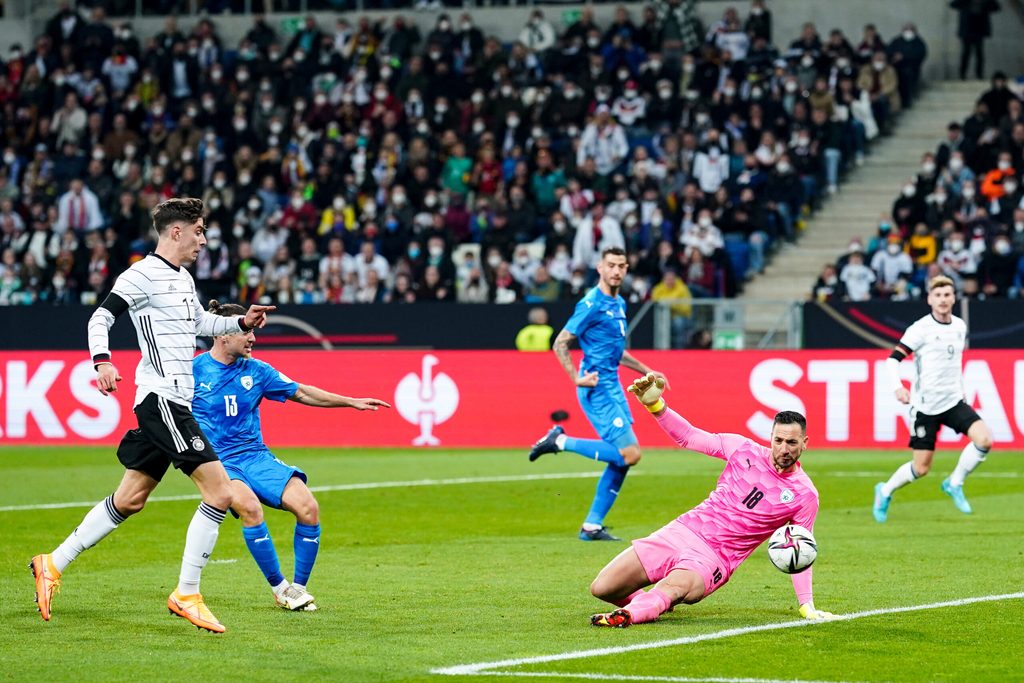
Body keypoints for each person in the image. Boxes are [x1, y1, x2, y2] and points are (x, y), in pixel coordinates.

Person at [30, 198, 274, 634]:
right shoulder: (141, 274)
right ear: (175, 232)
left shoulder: (183, 278)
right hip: (163, 400)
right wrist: (102, 361)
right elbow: (100, 317)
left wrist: (241, 324)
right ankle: (187, 593)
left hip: (172, 403)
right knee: (220, 493)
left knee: (129, 500)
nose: (203, 238)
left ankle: (52, 561)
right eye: (198, 230)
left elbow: (201, 323)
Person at [588, 373, 834, 627]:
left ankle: (630, 615)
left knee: (672, 587)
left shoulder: (804, 494)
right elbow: (689, 437)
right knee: (603, 587)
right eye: (778, 440)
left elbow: (800, 549)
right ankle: (650, 603)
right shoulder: (742, 449)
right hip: (682, 531)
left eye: (792, 442)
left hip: (714, 557)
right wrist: (656, 406)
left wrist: (807, 605)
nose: (784, 449)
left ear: (804, 443)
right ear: (771, 437)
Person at [192, 301, 390, 611]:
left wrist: (350, 401)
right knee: (250, 508)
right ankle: (280, 588)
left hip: (255, 456)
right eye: (246, 332)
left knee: (308, 507)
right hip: (218, 462)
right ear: (222, 334)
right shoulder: (193, 370)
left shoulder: (257, 371)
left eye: (253, 331)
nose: (253, 337)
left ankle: (298, 588)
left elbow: (302, 392)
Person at [528, 247, 668, 541]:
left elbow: (617, 352)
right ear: (600, 268)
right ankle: (559, 440)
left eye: (621, 266)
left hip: (613, 386)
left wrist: (647, 371)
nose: (616, 271)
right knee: (631, 454)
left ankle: (592, 525)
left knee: (621, 459)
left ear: (627, 269)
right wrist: (576, 378)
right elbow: (560, 342)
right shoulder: (591, 303)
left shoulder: (618, 303)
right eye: (611, 265)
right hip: (597, 389)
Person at [873, 275, 994, 523]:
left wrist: (961, 391)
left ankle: (954, 483)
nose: (942, 299)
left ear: (953, 298)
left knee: (984, 440)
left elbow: (953, 364)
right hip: (925, 407)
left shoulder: (960, 326)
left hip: (953, 402)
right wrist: (898, 387)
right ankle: (884, 491)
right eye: (937, 295)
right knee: (921, 468)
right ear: (929, 299)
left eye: (947, 294)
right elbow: (892, 359)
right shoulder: (920, 329)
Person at [951, 0, 1000, 80]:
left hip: (979, 30)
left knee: (979, 53)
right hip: (967, 30)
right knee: (966, 53)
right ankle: (962, 74)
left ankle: (979, 74)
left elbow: (996, 7)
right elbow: (953, 4)